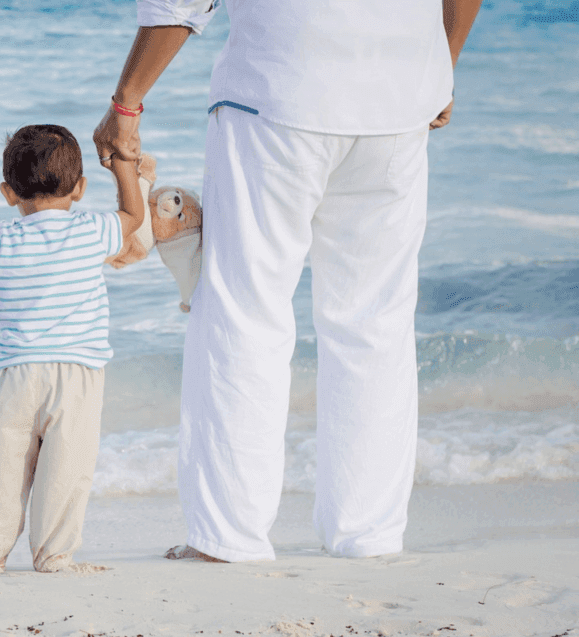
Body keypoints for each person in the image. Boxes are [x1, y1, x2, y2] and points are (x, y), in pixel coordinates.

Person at [93, 0, 482, 562]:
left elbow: (179, 4)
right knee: (375, 322)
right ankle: (367, 533)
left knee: (245, 313)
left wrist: (126, 103)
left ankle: (229, 536)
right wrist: (440, 66)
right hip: (399, 98)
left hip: (278, 90)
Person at [0, 125, 145, 573]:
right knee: (67, 468)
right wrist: (122, 166)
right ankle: (54, 555)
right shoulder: (94, 231)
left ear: (7, 193)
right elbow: (133, 216)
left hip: (14, 374)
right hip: (78, 373)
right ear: (79, 189)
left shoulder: (3, 240)